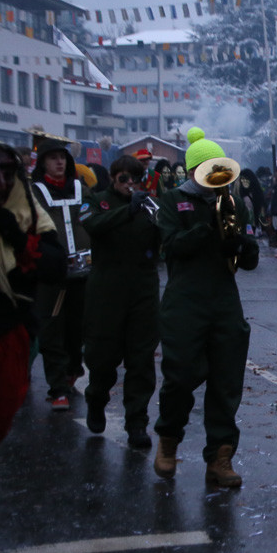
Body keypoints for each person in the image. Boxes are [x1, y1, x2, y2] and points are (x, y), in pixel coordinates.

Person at [153, 127, 259, 487]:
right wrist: (207, 228)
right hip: (185, 299)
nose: (217, 179)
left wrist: (245, 247)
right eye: (209, 171)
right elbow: (171, 246)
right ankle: (168, 440)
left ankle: (220, 457)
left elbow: (244, 260)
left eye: (221, 171)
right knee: (180, 376)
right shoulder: (173, 201)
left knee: (227, 379)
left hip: (224, 299)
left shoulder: (230, 201)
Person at [82, 155, 161, 448]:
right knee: (102, 357)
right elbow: (93, 225)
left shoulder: (147, 204)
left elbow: (166, 236)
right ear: (113, 179)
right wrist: (127, 212)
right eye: (123, 179)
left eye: (135, 179)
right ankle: (96, 399)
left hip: (142, 287)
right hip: (107, 289)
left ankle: (137, 422)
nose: (129, 184)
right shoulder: (95, 200)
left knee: (141, 359)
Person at [0, 144, 63, 444]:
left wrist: (15, 234)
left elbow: (54, 266)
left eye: (8, 174)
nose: (1, 183)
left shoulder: (27, 212)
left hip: (9, 333)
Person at [31, 139, 93, 412]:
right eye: (52, 158)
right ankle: (57, 387)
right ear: (43, 162)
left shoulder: (82, 188)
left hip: (83, 272)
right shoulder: (34, 192)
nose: (59, 162)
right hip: (51, 275)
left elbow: (95, 221)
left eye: (62, 158)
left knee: (77, 328)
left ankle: (72, 370)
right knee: (51, 328)